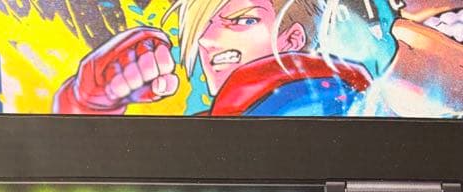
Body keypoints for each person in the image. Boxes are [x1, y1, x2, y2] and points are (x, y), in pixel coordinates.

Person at [54, 0, 373, 116]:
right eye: (204, 26)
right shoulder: (227, 117)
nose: (207, 40)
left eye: (243, 20)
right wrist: (86, 103)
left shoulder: (320, 103)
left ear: (292, 39)